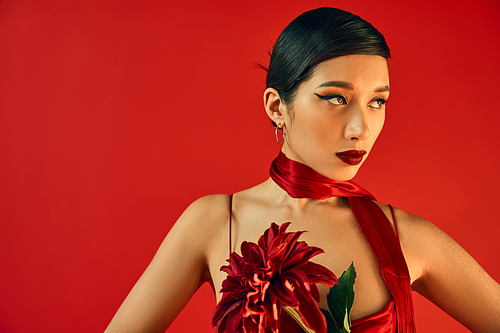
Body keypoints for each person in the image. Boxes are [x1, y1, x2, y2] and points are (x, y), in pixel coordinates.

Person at [104, 7, 500, 333]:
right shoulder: (214, 221)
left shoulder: (406, 238)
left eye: (377, 102)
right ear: (277, 107)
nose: (360, 127)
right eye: (336, 98)